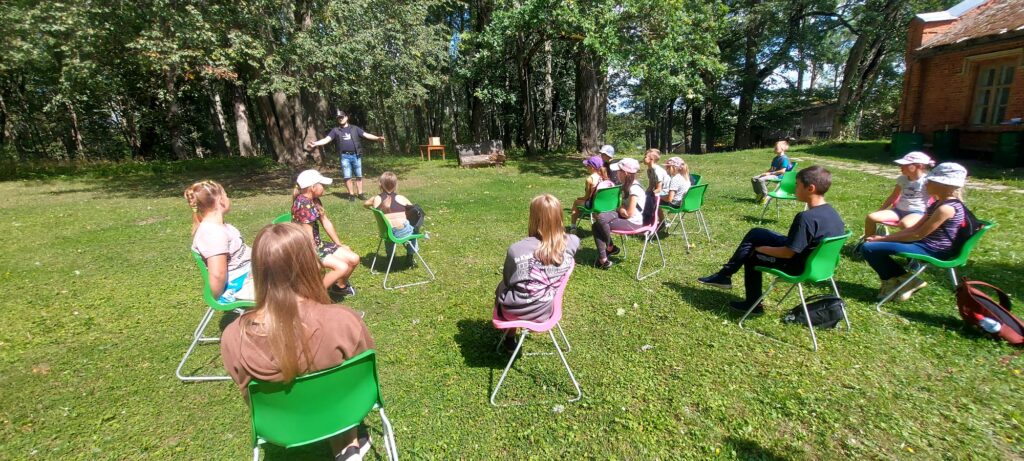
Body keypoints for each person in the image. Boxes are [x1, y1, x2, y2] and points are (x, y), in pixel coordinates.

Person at [220, 223, 375, 461]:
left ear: (257, 271)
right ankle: (347, 444)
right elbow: (363, 376)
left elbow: (246, 393)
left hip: (282, 426)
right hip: (344, 410)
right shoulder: (345, 320)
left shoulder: (233, 337)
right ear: (311, 264)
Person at [699, 166, 845, 313]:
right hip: (821, 265)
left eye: (797, 185)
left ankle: (752, 303)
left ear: (810, 188)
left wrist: (760, 249)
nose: (794, 188)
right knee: (757, 233)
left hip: (799, 266)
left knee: (752, 255)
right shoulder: (833, 213)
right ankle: (724, 275)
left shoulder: (806, 218)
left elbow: (788, 253)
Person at [861, 162, 969, 301]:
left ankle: (903, 280)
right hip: (925, 244)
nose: (926, 183)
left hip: (933, 249)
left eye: (930, 181)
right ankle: (904, 281)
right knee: (870, 246)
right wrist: (884, 238)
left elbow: (917, 234)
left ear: (944, 185)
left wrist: (882, 239)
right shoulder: (938, 203)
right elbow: (914, 228)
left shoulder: (946, 208)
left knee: (868, 248)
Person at [496, 194, 580, 324]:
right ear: (559, 216)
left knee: (502, 285)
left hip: (513, 314)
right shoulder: (573, 242)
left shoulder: (516, 249)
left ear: (533, 218)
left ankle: (510, 334)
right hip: (546, 311)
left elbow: (508, 281)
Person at [291, 169, 361, 296]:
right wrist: (314, 258)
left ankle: (339, 287)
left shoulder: (314, 200)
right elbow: (308, 236)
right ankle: (315, 296)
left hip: (318, 245)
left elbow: (326, 222)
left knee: (354, 259)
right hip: (306, 249)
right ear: (313, 187)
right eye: (322, 185)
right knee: (342, 267)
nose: (324, 187)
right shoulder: (303, 205)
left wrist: (339, 244)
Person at [185, 180, 254, 302]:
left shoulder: (221, 227)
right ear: (221, 200)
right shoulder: (213, 233)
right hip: (239, 286)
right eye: (226, 195)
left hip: (249, 275)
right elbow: (218, 275)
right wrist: (219, 298)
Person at [306, 111, 386, 202]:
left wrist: (377, 138)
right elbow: (326, 140)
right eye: (339, 118)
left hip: (356, 155)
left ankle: (360, 194)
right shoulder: (335, 130)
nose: (340, 119)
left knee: (359, 176)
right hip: (344, 156)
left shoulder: (354, 128)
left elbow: (366, 135)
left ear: (346, 117)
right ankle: (351, 195)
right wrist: (315, 143)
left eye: (342, 117)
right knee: (347, 176)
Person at [862, 151, 934, 238]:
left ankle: (904, 243)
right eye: (901, 165)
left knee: (905, 224)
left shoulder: (927, 181)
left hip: (917, 212)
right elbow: (893, 197)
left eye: (905, 165)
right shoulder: (902, 179)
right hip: (898, 211)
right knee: (871, 217)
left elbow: (936, 199)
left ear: (919, 166)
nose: (901, 167)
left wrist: (930, 216)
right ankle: (868, 240)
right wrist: (881, 210)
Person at [591, 158, 646, 269]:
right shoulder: (627, 185)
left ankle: (608, 251)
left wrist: (620, 209)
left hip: (633, 222)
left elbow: (629, 214)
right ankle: (606, 254)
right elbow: (622, 208)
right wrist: (620, 209)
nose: (616, 173)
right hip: (623, 216)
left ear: (625, 173)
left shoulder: (634, 189)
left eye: (618, 171)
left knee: (598, 223)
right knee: (598, 218)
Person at [363, 171, 419, 259]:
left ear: (380, 184)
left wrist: (375, 210)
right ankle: (410, 255)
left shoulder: (376, 198)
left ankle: (390, 256)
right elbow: (415, 211)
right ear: (395, 185)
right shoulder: (401, 198)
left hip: (386, 233)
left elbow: (365, 204)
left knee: (388, 226)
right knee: (414, 229)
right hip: (402, 232)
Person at [568, 155, 615, 232]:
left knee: (576, 202)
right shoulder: (605, 177)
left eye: (587, 165)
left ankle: (573, 227)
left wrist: (579, 198)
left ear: (592, 167)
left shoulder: (589, 179)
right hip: (605, 204)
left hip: (593, 205)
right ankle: (602, 226)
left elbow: (587, 197)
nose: (586, 167)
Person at [751, 140, 792, 204]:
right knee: (754, 178)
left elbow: (782, 171)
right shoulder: (775, 158)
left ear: (782, 149)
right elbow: (772, 168)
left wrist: (769, 173)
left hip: (779, 176)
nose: (774, 148)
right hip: (773, 174)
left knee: (760, 180)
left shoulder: (784, 159)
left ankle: (765, 195)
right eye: (774, 147)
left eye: (776, 147)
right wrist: (765, 173)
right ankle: (759, 194)